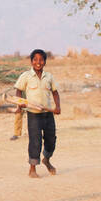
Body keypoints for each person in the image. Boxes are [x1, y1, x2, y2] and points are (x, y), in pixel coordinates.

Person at [15, 49, 60, 177]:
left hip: (48, 113)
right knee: (35, 141)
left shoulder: (49, 77)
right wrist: (20, 103)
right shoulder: (26, 76)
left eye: (41, 60)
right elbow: (18, 90)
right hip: (33, 114)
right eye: (35, 60)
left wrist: (58, 107)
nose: (38, 62)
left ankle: (47, 159)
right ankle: (32, 169)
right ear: (31, 61)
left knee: (51, 139)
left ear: (45, 62)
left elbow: (55, 93)